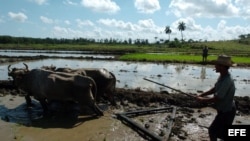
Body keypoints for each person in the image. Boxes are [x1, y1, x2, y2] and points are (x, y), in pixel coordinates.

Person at [196, 55, 236, 141]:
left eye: (217, 65)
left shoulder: (227, 80)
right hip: (224, 109)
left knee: (212, 131)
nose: (215, 66)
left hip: (227, 111)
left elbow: (218, 98)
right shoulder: (222, 76)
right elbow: (215, 88)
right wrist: (202, 94)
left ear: (222, 67)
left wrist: (202, 100)